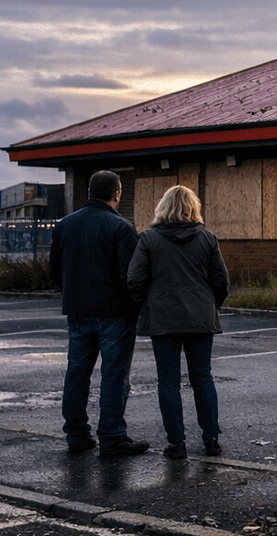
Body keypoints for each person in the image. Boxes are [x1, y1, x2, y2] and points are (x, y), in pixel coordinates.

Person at [49, 170, 148, 456]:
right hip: (115, 313)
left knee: (77, 373)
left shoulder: (65, 225)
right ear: (117, 193)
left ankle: (77, 434)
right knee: (114, 375)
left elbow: (55, 271)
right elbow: (130, 276)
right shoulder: (121, 228)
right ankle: (113, 435)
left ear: (90, 191)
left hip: (78, 310)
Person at [127, 185, 229, 459]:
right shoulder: (207, 239)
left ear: (163, 207)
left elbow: (135, 280)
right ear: (192, 207)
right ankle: (211, 438)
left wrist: (146, 305)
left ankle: (177, 443)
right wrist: (207, 305)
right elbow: (221, 282)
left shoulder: (148, 239)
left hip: (163, 318)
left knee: (168, 382)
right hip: (200, 317)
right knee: (202, 377)